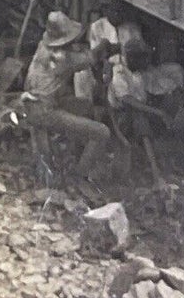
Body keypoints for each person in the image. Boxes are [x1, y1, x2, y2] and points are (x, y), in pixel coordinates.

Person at [18, 10, 114, 179]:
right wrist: (105, 45)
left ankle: (71, 149)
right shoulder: (63, 58)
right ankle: (78, 175)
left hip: (33, 102)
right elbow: (90, 57)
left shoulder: (44, 46)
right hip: (45, 111)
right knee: (102, 133)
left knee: (85, 106)